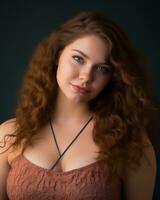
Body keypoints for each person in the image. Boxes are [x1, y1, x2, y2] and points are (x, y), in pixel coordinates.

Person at [0, 10, 158, 200]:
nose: (86, 77)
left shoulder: (132, 141)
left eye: (102, 68)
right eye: (78, 58)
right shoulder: (10, 134)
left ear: (113, 76)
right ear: (58, 55)